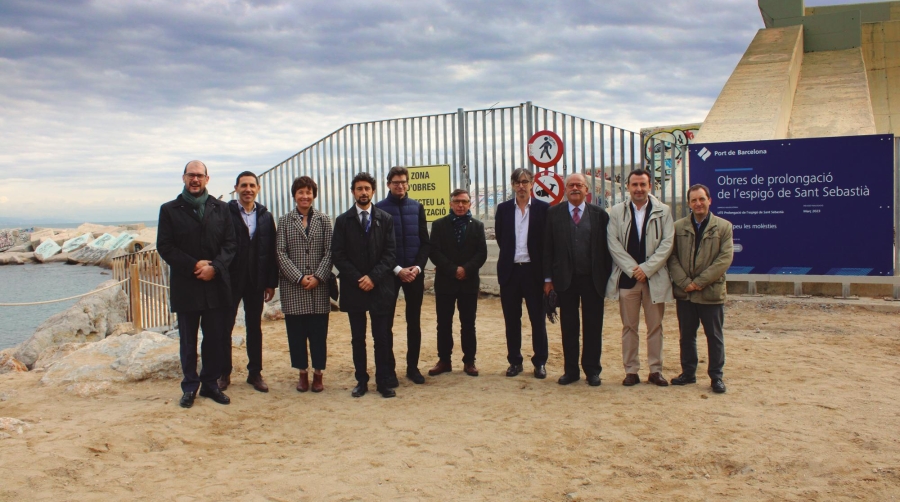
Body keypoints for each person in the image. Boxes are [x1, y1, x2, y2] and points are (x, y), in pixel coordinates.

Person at [157, 160, 237, 409]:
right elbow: (165, 246)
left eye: (199, 176)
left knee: (213, 338)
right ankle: (190, 386)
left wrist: (215, 267)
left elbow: (230, 244)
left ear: (207, 179)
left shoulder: (221, 208)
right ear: (183, 178)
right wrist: (194, 265)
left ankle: (210, 384)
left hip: (214, 285)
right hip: (187, 286)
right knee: (188, 341)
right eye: (191, 175)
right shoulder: (169, 209)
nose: (195, 180)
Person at [606, 168, 675, 387]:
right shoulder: (616, 212)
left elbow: (667, 244)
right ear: (627, 187)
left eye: (642, 184)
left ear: (650, 186)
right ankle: (631, 370)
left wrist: (647, 269)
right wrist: (633, 269)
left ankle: (655, 370)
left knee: (655, 327)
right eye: (634, 185)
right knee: (629, 327)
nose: (638, 189)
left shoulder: (663, 211)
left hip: (654, 279)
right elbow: (613, 243)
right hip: (628, 278)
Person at [332, 172, 398, 398]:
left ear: (373, 191)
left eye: (367, 188)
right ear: (353, 192)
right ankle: (361, 380)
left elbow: (390, 254)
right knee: (357, 338)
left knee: (381, 337)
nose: (363, 192)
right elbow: (338, 256)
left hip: (380, 287)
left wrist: (373, 277)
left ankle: (383, 382)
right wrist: (359, 278)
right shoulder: (343, 221)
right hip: (354, 288)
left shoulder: (385, 219)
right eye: (359, 189)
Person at [543, 173, 612, 386]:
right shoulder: (553, 214)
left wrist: (605, 276)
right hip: (565, 279)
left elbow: (607, 250)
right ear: (565, 189)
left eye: (579, 185)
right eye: (571, 185)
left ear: (586, 190)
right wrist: (548, 279)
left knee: (593, 326)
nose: (575, 188)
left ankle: (592, 370)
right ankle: (571, 370)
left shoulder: (599, 215)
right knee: (569, 326)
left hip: (592, 280)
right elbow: (547, 248)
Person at [667, 184, 734, 394]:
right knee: (686, 335)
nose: (698, 203)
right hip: (685, 293)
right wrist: (685, 282)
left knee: (714, 336)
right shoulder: (678, 227)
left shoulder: (723, 227)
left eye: (702, 199)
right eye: (694, 200)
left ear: (709, 200)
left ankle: (716, 377)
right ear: (689, 203)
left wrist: (700, 282)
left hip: (710, 293)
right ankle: (688, 373)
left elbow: (724, 259)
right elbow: (672, 257)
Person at [220, 171, 277, 393]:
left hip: (256, 280)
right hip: (230, 280)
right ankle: (224, 373)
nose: (248, 189)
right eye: (244, 185)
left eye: (252, 185)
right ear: (236, 188)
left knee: (255, 328)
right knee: (225, 327)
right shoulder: (225, 212)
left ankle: (255, 373)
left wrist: (270, 283)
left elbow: (271, 251)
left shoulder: (265, 216)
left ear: (258, 189)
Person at [276, 176, 334, 393]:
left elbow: (330, 251)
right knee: (296, 334)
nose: (305, 196)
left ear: (314, 195)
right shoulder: (284, 221)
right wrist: (299, 277)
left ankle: (318, 373)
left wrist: (318, 276)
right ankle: (302, 372)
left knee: (319, 333)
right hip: (294, 287)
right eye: (300, 192)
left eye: (308, 192)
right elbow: (280, 253)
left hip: (319, 287)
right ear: (294, 195)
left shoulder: (324, 220)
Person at [375, 166, 431, 385]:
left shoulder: (417, 207)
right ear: (388, 184)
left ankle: (412, 367)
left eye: (403, 182)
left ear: (408, 184)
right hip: (390, 274)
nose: (400, 185)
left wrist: (417, 267)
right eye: (395, 182)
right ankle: (389, 370)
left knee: (413, 322)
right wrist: (397, 269)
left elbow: (425, 242)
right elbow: (378, 247)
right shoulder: (379, 208)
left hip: (414, 274)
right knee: (386, 323)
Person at [494, 168, 549, 379]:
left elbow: (546, 244)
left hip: (533, 273)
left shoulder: (544, 209)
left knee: (538, 319)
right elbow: (501, 238)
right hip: (510, 272)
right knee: (512, 320)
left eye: (525, 182)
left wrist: (547, 277)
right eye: (517, 182)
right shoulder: (504, 209)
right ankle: (515, 361)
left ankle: (540, 362)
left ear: (532, 183)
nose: (521, 186)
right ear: (512, 185)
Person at [427, 189, 488, 377]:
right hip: (446, 281)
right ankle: (444, 360)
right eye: (457, 201)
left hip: (468, 282)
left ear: (470, 204)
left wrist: (466, 269)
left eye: (464, 201)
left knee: (468, 323)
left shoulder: (477, 226)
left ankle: (469, 361)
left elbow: (481, 253)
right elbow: (434, 251)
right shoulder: (439, 225)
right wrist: (453, 269)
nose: (460, 205)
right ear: (450, 203)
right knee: (443, 323)